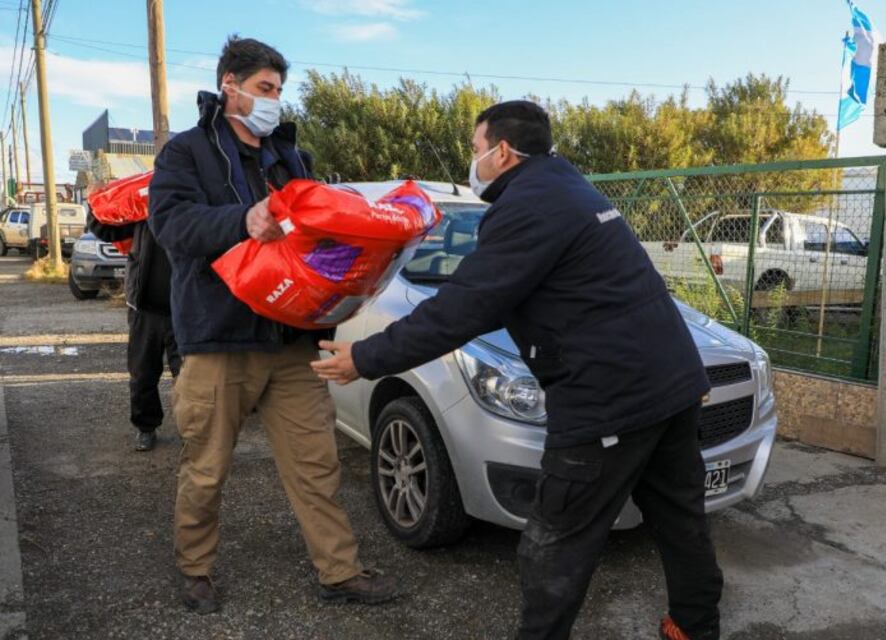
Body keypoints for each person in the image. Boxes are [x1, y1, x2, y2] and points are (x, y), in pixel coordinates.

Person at [312, 100, 724, 640]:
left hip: (606, 403)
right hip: (672, 384)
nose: (474, 159)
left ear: (503, 151)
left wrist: (364, 358)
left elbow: (464, 306)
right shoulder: (573, 188)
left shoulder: (529, 205)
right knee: (680, 520)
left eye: (477, 149)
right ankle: (695, 627)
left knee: (555, 545)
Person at [148, 35, 399, 614]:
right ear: (228, 85)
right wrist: (244, 218)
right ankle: (195, 570)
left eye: (280, 90)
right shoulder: (185, 152)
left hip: (291, 339)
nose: (274, 101)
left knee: (317, 463)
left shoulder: (290, 156)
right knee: (206, 467)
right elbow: (173, 226)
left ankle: (339, 572)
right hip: (219, 336)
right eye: (265, 88)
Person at [88, 211, 180, 452]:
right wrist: (93, 202)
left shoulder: (192, 202)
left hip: (185, 312)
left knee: (190, 378)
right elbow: (106, 230)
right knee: (142, 374)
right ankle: (146, 428)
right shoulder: (141, 209)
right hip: (144, 311)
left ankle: (195, 432)